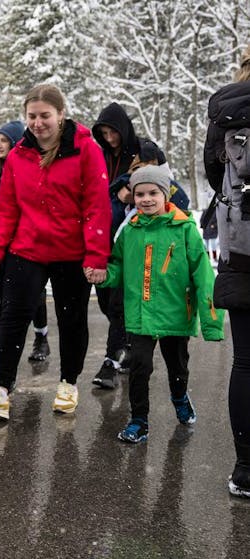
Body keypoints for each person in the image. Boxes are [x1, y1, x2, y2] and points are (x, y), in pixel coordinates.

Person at [0, 84, 111, 420]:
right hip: (27, 249)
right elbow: (7, 208)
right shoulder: (19, 155)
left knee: (71, 319)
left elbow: (96, 206)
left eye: (45, 115)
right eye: (31, 116)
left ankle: (68, 384)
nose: (37, 123)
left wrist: (96, 256)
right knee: (13, 316)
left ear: (61, 114)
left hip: (71, 252)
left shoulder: (86, 150)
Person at [99, 165, 223, 443]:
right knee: (139, 368)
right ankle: (139, 421)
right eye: (140, 194)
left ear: (165, 194)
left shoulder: (184, 228)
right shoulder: (130, 230)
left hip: (175, 313)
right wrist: (105, 275)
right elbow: (117, 266)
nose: (146, 199)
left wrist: (211, 322)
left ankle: (179, 397)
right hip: (140, 314)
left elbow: (203, 275)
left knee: (177, 366)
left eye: (153, 193)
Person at [92, 137, 191, 389]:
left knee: (127, 315)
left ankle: (113, 362)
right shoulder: (122, 187)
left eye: (149, 165)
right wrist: (121, 197)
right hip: (124, 259)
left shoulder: (168, 188)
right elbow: (106, 212)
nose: (143, 172)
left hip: (157, 268)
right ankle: (125, 353)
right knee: (113, 309)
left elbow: (181, 206)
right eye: (137, 166)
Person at [204, 44, 250, 498]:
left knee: (246, 362)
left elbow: (214, 175)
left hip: (242, 250)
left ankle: (246, 469)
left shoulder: (226, 111)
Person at [0, 121, 50, 364]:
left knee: (35, 295)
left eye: (4, 140)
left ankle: (41, 337)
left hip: (26, 241)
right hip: (0, 241)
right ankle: (5, 349)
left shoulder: (28, 168)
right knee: (6, 298)